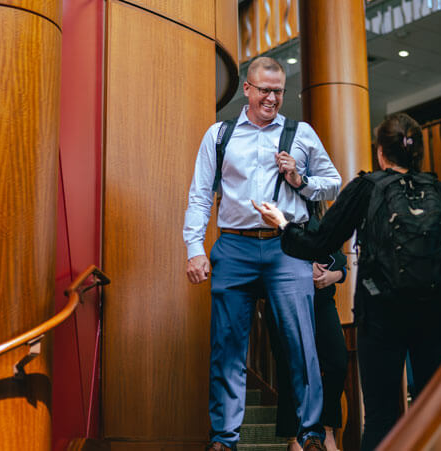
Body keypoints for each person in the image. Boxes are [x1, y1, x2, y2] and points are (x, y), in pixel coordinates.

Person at [253, 113, 441, 450]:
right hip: (438, 317)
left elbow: (318, 243)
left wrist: (283, 224)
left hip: (383, 315)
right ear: (418, 152)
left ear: (381, 152)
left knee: (382, 416)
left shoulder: (367, 187)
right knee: (436, 410)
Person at [184, 56, 341, 451]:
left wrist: (299, 179)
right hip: (233, 245)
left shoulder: (300, 133)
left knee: (301, 342)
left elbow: (333, 184)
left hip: (285, 246)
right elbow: (201, 196)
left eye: (279, 91)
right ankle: (224, 438)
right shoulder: (219, 136)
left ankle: (310, 435)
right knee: (227, 345)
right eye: (265, 90)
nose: (272, 98)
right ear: (247, 90)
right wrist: (194, 248)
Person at [266, 202, 349, 451]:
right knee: (290, 365)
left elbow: (342, 263)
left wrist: (333, 276)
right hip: (284, 296)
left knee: (337, 361)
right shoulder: (274, 211)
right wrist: (302, 268)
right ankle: (294, 438)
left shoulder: (323, 216)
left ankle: (327, 429)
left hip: (322, 299)